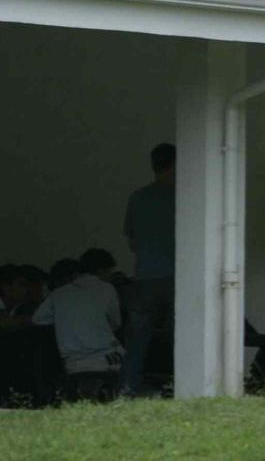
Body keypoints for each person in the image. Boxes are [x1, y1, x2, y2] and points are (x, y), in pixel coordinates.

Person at [120, 142, 177, 395]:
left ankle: (127, 389)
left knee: (137, 340)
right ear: (175, 165)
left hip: (143, 278)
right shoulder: (183, 196)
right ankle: (182, 386)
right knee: (182, 336)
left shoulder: (138, 197)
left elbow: (132, 242)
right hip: (175, 277)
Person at [33, 250, 123, 401]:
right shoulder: (106, 288)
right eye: (109, 272)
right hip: (106, 359)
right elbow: (116, 322)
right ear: (101, 271)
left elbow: (37, 319)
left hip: (73, 364)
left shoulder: (58, 294)